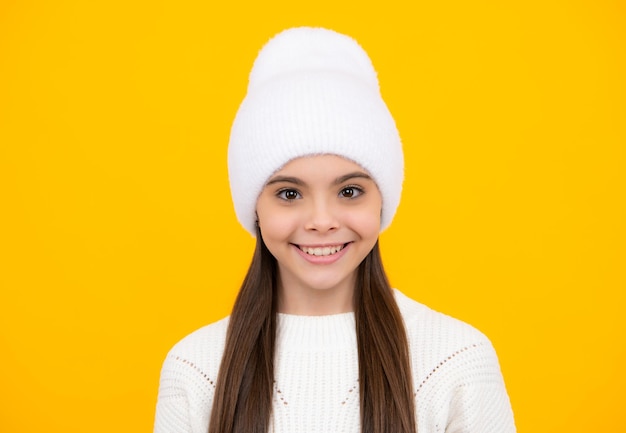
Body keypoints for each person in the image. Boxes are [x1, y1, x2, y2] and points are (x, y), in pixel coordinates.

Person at [154, 27, 516, 433]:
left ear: (383, 200)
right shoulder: (195, 370)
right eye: (290, 193)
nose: (322, 220)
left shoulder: (456, 361)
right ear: (254, 206)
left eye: (349, 190)